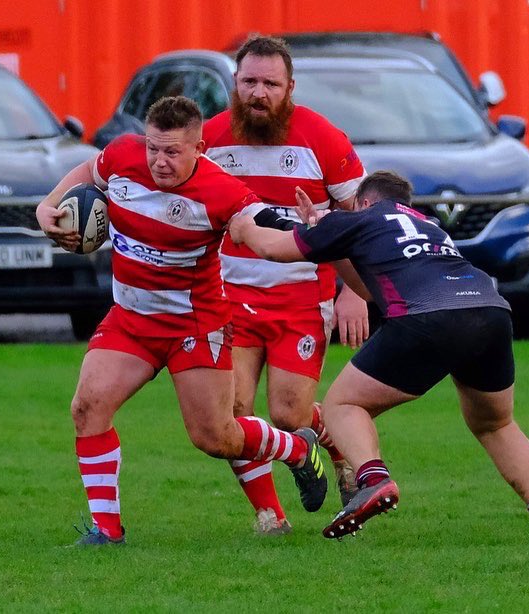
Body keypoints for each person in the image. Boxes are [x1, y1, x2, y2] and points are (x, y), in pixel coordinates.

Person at [35, 96, 326, 546]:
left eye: (172, 151)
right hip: (131, 319)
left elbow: (260, 235)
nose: (159, 161)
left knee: (216, 437)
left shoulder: (221, 191)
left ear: (200, 149)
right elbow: (87, 173)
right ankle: (106, 532)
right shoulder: (123, 156)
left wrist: (305, 234)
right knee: (87, 407)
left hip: (194, 327)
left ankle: (296, 447)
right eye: (154, 148)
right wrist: (47, 208)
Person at [228, 171, 529, 544]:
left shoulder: (358, 219)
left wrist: (244, 227)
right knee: (496, 424)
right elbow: (367, 287)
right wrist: (327, 236)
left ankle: (373, 478)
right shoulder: (428, 225)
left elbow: (271, 248)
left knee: (342, 405)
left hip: (426, 315)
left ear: (362, 202)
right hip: (490, 311)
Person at [202, 34, 368, 534]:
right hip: (229, 298)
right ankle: (269, 514)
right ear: (234, 83)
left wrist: (354, 291)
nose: (258, 93)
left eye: (270, 84)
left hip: (301, 296)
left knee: (290, 412)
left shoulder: (322, 138)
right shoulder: (208, 139)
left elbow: (363, 217)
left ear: (290, 87)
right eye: (249, 81)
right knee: (232, 412)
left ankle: (333, 448)